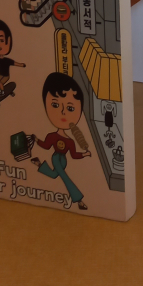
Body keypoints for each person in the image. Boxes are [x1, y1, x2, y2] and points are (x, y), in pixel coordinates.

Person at [30, 73, 91, 210]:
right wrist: (36, 139)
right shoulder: (52, 136)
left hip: (63, 160)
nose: (63, 112)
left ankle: (38, 164)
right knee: (65, 177)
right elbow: (46, 146)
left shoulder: (70, 142)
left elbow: (74, 155)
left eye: (70, 108)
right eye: (55, 105)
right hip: (56, 158)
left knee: (54, 175)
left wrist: (85, 154)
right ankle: (79, 200)